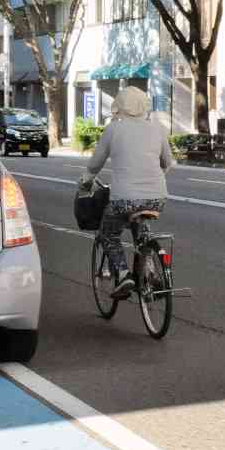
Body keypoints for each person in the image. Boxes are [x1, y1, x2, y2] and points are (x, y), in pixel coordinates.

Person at [79, 87, 174, 295]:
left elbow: (95, 164)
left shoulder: (113, 129)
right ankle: (150, 272)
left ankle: (123, 275)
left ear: (119, 106)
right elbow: (167, 163)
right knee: (141, 229)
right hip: (157, 197)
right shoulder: (157, 129)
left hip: (124, 199)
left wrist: (86, 181)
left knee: (108, 233)